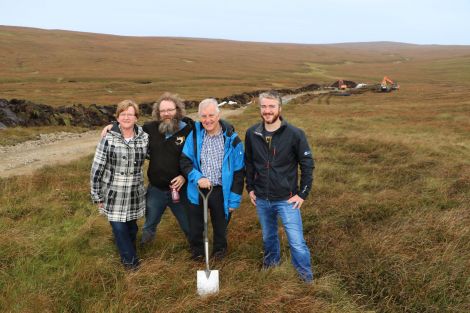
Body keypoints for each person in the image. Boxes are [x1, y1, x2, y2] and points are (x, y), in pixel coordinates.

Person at [100, 93, 193, 246]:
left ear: (178, 110)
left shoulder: (188, 131)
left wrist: (184, 176)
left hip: (180, 190)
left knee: (189, 225)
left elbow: (195, 157)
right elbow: (129, 126)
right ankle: (145, 249)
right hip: (155, 190)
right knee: (149, 224)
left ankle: (198, 252)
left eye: (170, 110)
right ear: (158, 112)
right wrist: (114, 126)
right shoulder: (150, 128)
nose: (166, 114)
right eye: (163, 111)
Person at [244, 91, 314, 282]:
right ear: (260, 109)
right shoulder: (252, 133)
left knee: (297, 242)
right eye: (264, 106)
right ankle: (270, 268)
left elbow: (307, 164)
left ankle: (305, 279)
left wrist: (302, 194)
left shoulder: (295, 134)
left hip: (287, 199)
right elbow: (249, 162)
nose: (267, 111)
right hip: (262, 198)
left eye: (271, 106)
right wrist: (250, 188)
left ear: (279, 109)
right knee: (268, 237)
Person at [180, 98, 244, 261]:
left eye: (211, 115)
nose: (207, 120)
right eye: (203, 116)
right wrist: (198, 177)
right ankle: (198, 253)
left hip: (221, 191)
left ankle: (219, 253)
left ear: (218, 115)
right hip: (197, 190)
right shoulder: (194, 135)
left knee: (220, 226)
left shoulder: (232, 140)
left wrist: (234, 200)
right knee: (196, 226)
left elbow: (238, 172)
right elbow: (185, 161)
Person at [91, 100, 149, 270]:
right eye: (122, 114)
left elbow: (158, 155)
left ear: (136, 118)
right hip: (113, 193)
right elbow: (97, 168)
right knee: (119, 228)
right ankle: (131, 264)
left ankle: (128, 251)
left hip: (134, 193)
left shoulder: (144, 138)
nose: (126, 117)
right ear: (117, 117)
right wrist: (97, 195)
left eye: (130, 114)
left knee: (131, 228)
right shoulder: (108, 138)